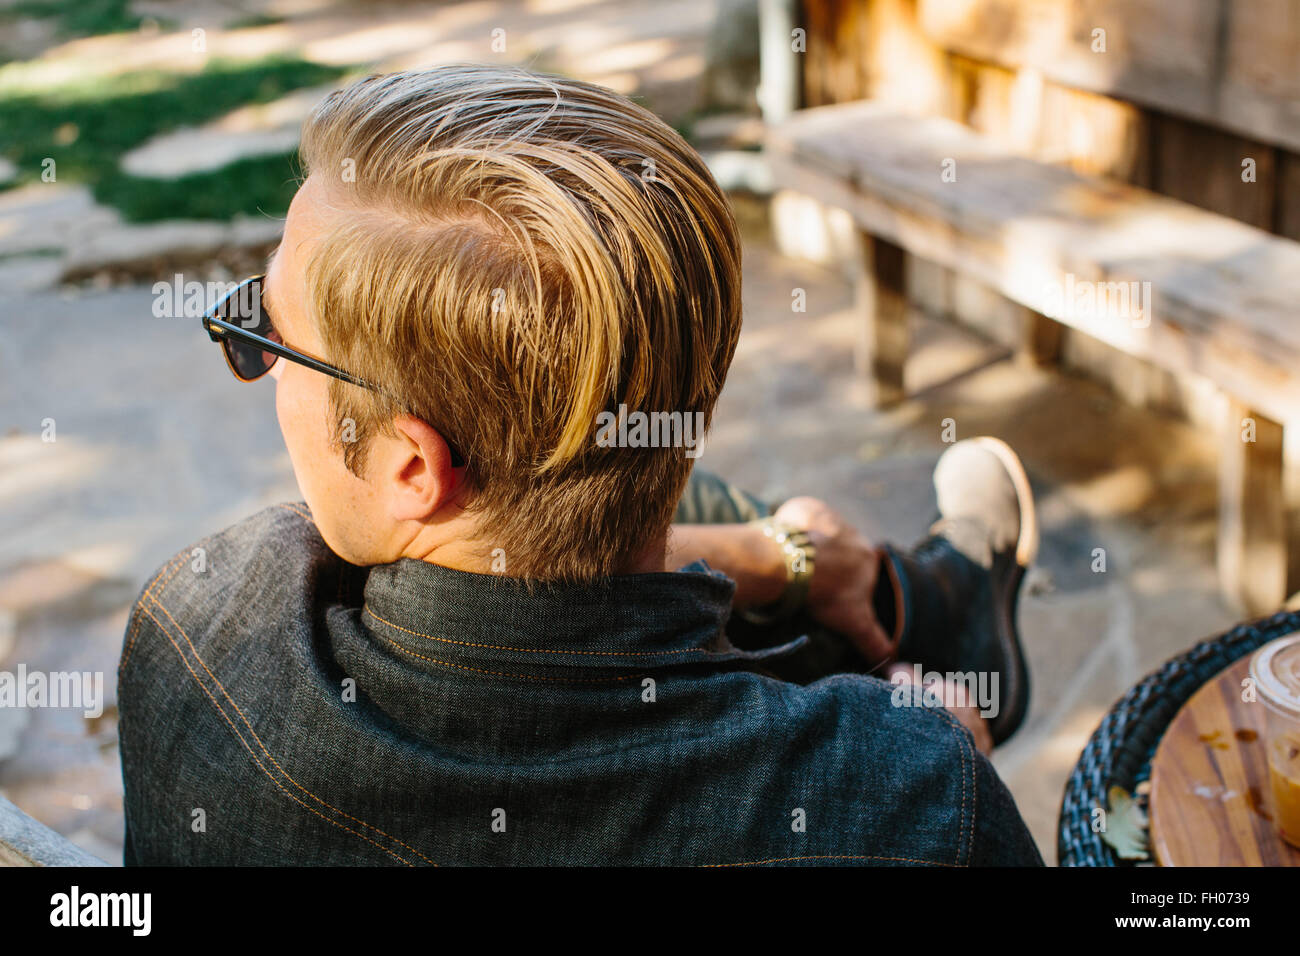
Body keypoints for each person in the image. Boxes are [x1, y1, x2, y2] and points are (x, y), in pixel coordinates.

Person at [118, 64, 1044, 866]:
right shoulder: (910, 808)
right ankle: (929, 602)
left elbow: (510, 579)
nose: (262, 362)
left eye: (269, 335)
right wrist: (945, 753)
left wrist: (786, 558)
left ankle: (905, 588)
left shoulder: (201, 626)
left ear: (410, 467)